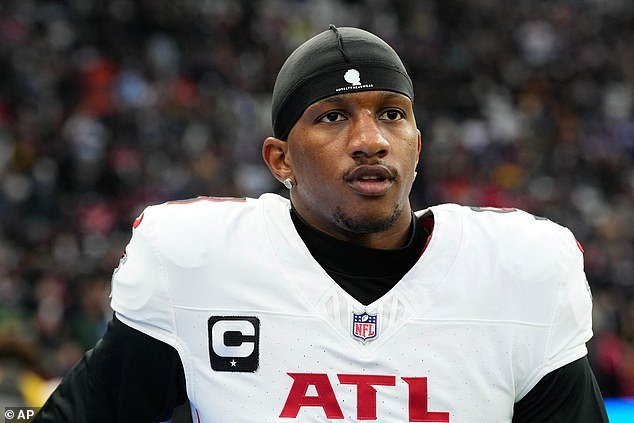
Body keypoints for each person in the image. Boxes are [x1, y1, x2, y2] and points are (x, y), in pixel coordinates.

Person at [34, 26, 608, 422]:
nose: (370, 140)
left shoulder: (517, 270)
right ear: (280, 160)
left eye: (392, 114)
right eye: (333, 117)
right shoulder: (198, 265)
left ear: (417, 144)